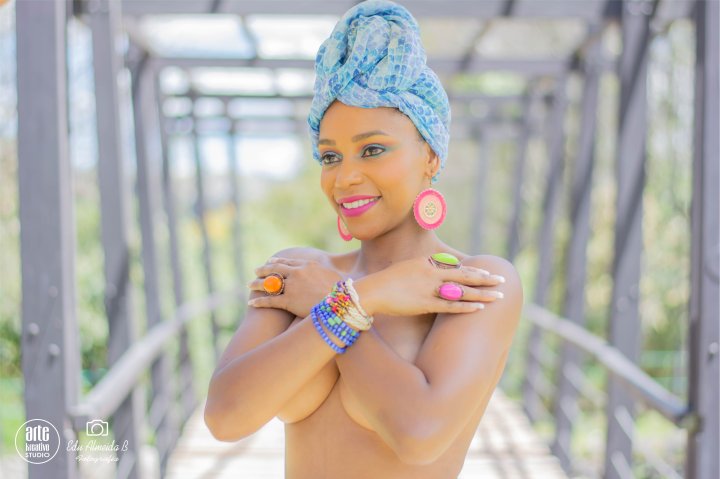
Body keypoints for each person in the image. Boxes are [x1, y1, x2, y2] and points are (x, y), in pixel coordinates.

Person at [204, 1, 523, 477]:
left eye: (372, 150)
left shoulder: (474, 282)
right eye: (330, 157)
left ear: (431, 156)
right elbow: (225, 417)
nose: (345, 177)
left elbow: (419, 435)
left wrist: (336, 305)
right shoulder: (302, 272)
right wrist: (362, 298)